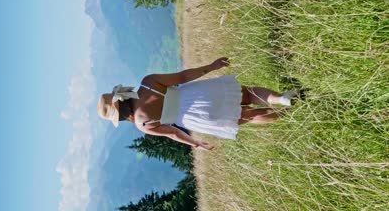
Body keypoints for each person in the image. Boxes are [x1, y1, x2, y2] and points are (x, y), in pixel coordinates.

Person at [97, 57, 299, 151]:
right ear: (121, 95)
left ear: (122, 117)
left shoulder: (143, 125)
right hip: (197, 95)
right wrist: (211, 67)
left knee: (246, 116)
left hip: (196, 119)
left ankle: (292, 114)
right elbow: (183, 76)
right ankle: (282, 99)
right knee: (248, 94)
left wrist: (196, 143)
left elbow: (174, 133)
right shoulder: (147, 83)